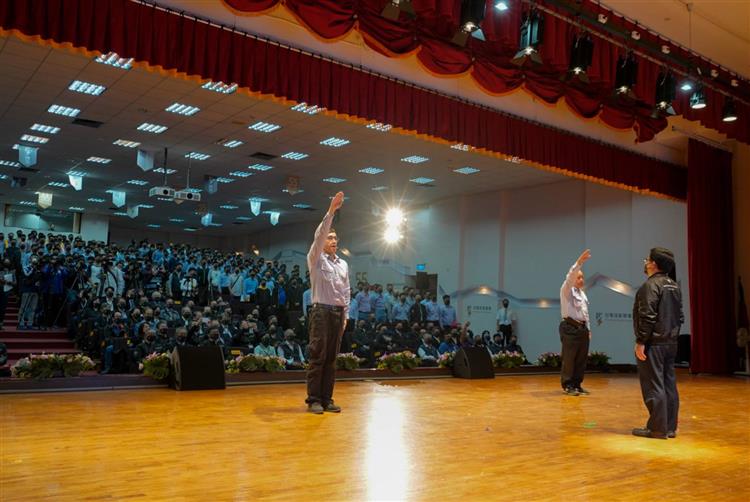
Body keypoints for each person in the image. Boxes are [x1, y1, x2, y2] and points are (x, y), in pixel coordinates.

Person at [632, 248, 684, 440]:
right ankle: (670, 427)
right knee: (669, 384)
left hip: (654, 343)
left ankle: (657, 428)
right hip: (671, 342)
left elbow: (647, 315)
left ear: (653, 264)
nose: (645, 262)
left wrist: (641, 341)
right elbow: (680, 317)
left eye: (647, 259)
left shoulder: (651, 286)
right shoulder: (673, 286)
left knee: (653, 385)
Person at [305, 191, 349, 414]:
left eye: (335, 238)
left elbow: (346, 290)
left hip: (338, 312)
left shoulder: (343, 264)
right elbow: (319, 235)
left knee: (332, 358)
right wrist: (331, 212)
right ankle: (313, 399)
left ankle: (327, 398)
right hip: (321, 312)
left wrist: (346, 316)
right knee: (318, 356)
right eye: (329, 238)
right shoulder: (314, 258)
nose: (332, 241)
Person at [559, 249, 592, 396]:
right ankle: (568, 385)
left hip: (582, 329)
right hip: (570, 327)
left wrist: (589, 329)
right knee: (570, 358)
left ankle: (577, 384)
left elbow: (585, 314)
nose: (581, 280)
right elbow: (570, 277)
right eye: (579, 278)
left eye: (582, 277)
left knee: (581, 359)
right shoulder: (566, 290)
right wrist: (579, 263)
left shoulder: (582, 294)